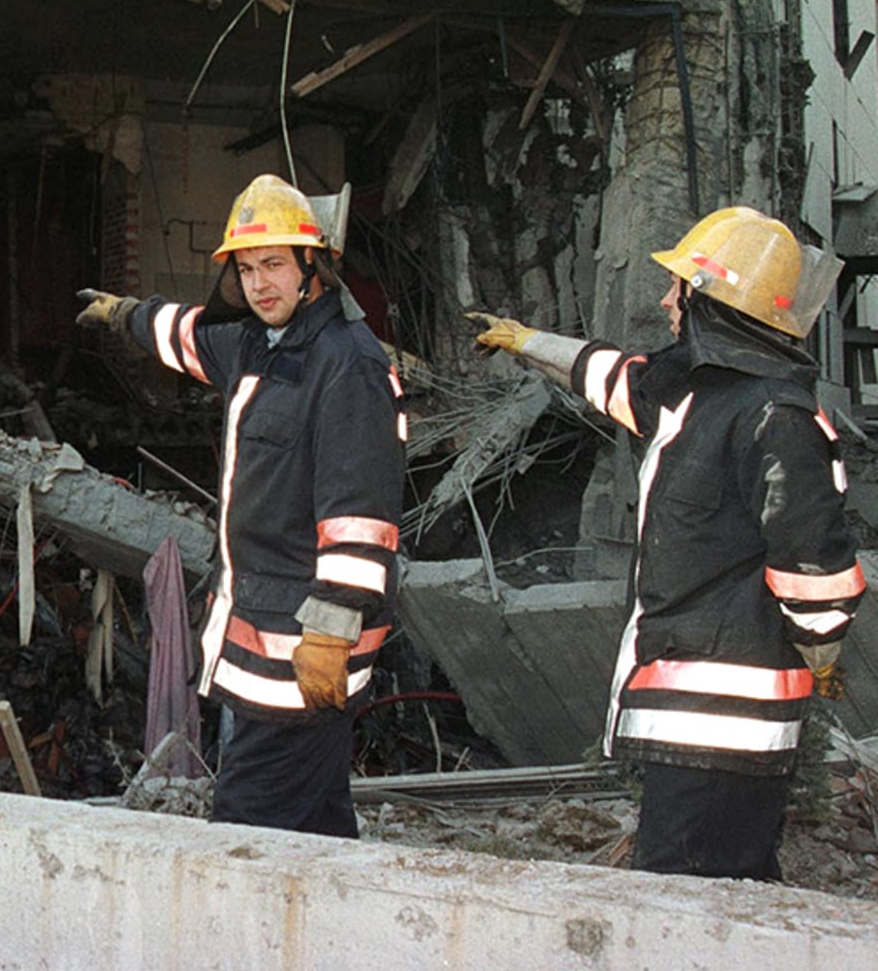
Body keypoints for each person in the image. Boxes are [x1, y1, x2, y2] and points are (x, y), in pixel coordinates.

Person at [469, 205, 865, 880]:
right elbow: (616, 382)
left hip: (724, 729)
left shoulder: (775, 417)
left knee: (696, 907)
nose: (665, 299)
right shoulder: (701, 399)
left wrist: (820, 642)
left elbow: (814, 564)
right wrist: (528, 341)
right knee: (713, 897)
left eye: (680, 285)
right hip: (692, 725)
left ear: (714, 299)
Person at [76, 173, 405, 837]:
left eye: (275, 265)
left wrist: (329, 631)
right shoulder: (257, 344)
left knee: (249, 830)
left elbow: (361, 515)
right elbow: (187, 336)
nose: (260, 284)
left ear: (312, 266)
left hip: (304, 660)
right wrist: (125, 314)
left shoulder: (349, 365)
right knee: (312, 826)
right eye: (248, 268)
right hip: (255, 650)